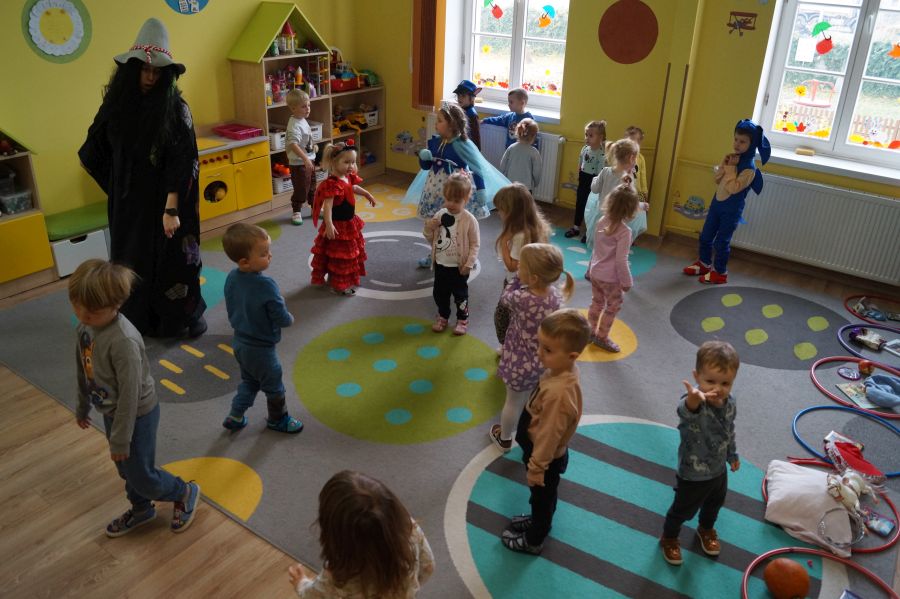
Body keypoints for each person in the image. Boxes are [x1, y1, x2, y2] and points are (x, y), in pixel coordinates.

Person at [79, 17, 206, 338]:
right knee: (130, 260)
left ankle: (180, 318)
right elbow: (93, 148)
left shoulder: (176, 109)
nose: (150, 77)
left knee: (173, 259)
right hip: (130, 204)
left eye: (157, 72)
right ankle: (136, 319)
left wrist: (172, 208)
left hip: (166, 201)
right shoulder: (116, 104)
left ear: (167, 75)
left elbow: (183, 160)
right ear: (132, 69)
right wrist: (117, 185)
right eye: (144, 69)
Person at [70, 259, 200, 538]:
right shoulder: (85, 329)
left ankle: (184, 491)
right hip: (111, 411)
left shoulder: (123, 341)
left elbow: (130, 395)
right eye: (77, 305)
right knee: (125, 469)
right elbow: (84, 368)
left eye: (92, 311)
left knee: (142, 474)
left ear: (117, 304)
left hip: (137, 413)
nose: (83, 315)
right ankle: (141, 509)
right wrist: (82, 405)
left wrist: (120, 437)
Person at [501, 309, 591, 554]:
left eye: (548, 350)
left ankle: (534, 539)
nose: (539, 353)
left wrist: (537, 467)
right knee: (541, 497)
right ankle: (537, 519)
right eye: (540, 345)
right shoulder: (561, 371)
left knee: (542, 498)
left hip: (544, 457)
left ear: (572, 356)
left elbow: (549, 435)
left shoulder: (559, 395)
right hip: (541, 450)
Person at [288, 470, 435, 598]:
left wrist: (301, 584)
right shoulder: (409, 531)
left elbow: (315, 596)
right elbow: (428, 566)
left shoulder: (341, 573)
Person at [659, 341, 741, 566]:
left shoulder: (730, 402)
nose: (718, 388)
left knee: (714, 504)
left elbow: (729, 430)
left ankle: (705, 529)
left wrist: (732, 454)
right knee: (681, 510)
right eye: (710, 381)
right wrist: (693, 399)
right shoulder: (695, 402)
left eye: (725, 383)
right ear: (697, 376)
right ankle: (669, 537)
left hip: (718, 469)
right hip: (693, 474)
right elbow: (685, 412)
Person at [491, 244, 575, 452]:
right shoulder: (555, 296)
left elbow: (504, 299)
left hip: (518, 362)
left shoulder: (521, 298)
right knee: (532, 400)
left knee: (512, 402)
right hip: (544, 362)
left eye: (521, 266)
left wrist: (514, 281)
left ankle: (504, 439)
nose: (517, 268)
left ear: (534, 278)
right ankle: (531, 433)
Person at [221, 223, 304, 434]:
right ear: (245, 261)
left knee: (250, 381)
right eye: (264, 253)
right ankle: (278, 419)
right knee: (274, 385)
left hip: (240, 343)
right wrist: (289, 319)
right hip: (261, 348)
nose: (270, 256)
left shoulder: (231, 277)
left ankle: (235, 415)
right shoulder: (266, 285)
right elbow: (280, 316)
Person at [403, 103, 508, 267]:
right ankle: (435, 253)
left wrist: (481, 189)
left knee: (458, 226)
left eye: (440, 121)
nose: (436, 124)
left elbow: (476, 167)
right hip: (435, 192)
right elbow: (427, 166)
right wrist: (424, 158)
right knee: (436, 224)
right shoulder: (435, 142)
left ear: (451, 125)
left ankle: (466, 254)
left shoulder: (462, 144)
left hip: (456, 191)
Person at [682, 119, 770, 284]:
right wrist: (724, 164)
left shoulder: (749, 169)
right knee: (705, 236)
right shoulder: (733, 159)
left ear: (751, 144)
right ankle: (704, 263)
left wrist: (730, 169)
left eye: (742, 142)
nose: (737, 144)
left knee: (721, 242)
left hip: (731, 211)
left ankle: (720, 272)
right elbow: (717, 180)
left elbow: (733, 188)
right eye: (736, 139)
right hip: (717, 205)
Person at [310, 140, 376, 296]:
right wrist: (329, 224)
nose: (351, 166)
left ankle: (336, 278)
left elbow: (353, 187)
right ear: (334, 162)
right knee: (340, 256)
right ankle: (338, 285)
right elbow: (327, 206)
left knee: (344, 254)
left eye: (353, 162)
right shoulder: (332, 183)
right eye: (346, 162)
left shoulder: (348, 177)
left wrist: (367, 194)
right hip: (338, 226)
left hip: (349, 223)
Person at [492, 184, 552, 346]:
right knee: (518, 317)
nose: (499, 214)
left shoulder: (520, 236)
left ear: (513, 213)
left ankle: (508, 346)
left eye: (501, 210)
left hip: (517, 284)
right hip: (527, 282)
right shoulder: (533, 227)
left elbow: (512, 266)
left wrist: (504, 242)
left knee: (503, 317)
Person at [423, 172, 480, 336]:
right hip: (441, 264)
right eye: (448, 199)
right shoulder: (440, 215)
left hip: (459, 267)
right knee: (439, 293)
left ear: (466, 199)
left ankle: (462, 319)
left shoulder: (469, 220)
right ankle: (443, 316)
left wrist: (469, 263)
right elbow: (429, 236)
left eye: (456, 201)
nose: (451, 204)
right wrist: (430, 227)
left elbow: (475, 244)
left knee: (460, 295)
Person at [587, 180, 640, 353]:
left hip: (595, 272)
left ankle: (590, 331)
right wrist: (627, 282)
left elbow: (596, 249)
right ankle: (602, 337)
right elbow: (620, 261)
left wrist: (590, 268)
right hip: (610, 279)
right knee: (612, 306)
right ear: (630, 210)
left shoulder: (601, 221)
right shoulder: (625, 232)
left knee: (596, 302)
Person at [583, 138, 645, 249]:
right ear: (631, 158)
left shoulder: (605, 171)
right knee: (613, 249)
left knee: (598, 248)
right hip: (618, 221)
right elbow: (630, 201)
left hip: (602, 216)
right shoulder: (628, 179)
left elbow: (594, 189)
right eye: (635, 158)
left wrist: (594, 180)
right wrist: (641, 206)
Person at [565, 120, 607, 240]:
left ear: (600, 137)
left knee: (592, 207)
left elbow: (601, 173)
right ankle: (576, 227)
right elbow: (580, 161)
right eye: (586, 135)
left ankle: (589, 231)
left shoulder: (601, 154)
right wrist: (579, 172)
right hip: (583, 178)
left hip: (594, 182)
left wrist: (598, 186)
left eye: (591, 135)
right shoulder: (585, 148)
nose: (587, 138)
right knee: (580, 203)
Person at [285, 89, 318, 226]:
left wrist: (313, 147)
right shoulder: (294, 124)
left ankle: (315, 208)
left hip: (309, 159)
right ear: (293, 108)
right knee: (301, 188)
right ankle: (296, 211)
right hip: (299, 163)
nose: (308, 108)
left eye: (308, 105)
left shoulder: (302, 119)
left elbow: (305, 139)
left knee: (312, 186)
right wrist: (305, 159)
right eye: (304, 106)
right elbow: (293, 144)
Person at [500, 118, 542, 193]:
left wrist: (502, 178)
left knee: (510, 200)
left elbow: (503, 165)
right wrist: (536, 182)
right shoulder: (534, 152)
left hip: (510, 184)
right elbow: (537, 171)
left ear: (517, 132)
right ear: (534, 136)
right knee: (523, 201)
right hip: (526, 187)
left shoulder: (511, 147)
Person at [625, 125, 650, 243]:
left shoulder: (640, 159)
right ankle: (623, 234)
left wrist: (644, 191)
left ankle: (631, 235)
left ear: (639, 143)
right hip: (625, 191)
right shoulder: (623, 156)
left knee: (635, 215)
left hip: (637, 191)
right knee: (625, 213)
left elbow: (643, 175)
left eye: (633, 141)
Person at [452, 79, 482, 150]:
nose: (459, 98)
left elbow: (476, 138)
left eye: (463, 96)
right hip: (459, 147)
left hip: (468, 149)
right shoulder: (460, 110)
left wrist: (476, 153)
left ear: (471, 98)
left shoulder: (472, 115)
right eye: (458, 95)